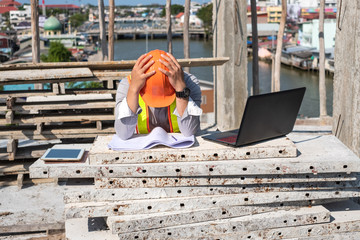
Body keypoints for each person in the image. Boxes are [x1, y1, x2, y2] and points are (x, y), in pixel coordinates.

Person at [115, 49, 203, 140]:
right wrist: (133, 90)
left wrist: (181, 89)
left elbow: (189, 130)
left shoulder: (189, 83)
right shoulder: (128, 85)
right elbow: (123, 133)